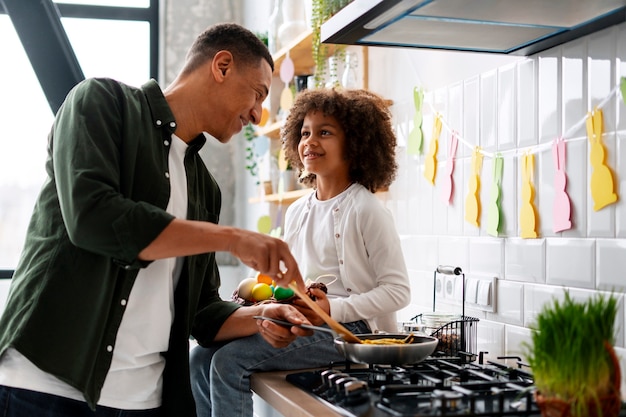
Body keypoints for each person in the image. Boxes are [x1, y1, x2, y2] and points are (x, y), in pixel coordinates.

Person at [0, 22, 312, 417]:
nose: (257, 113)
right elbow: (93, 218)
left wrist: (264, 315)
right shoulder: (100, 102)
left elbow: (202, 312)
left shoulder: (205, 187)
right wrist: (230, 238)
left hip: (144, 400)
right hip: (48, 386)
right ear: (222, 66)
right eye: (258, 93)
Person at [189, 88, 411, 417]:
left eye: (325, 132)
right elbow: (288, 275)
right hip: (309, 324)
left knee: (228, 361)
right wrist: (257, 287)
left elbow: (398, 291)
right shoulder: (298, 210)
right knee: (199, 356)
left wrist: (332, 308)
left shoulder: (366, 208)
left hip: (353, 333)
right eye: (305, 132)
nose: (310, 141)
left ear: (355, 143)